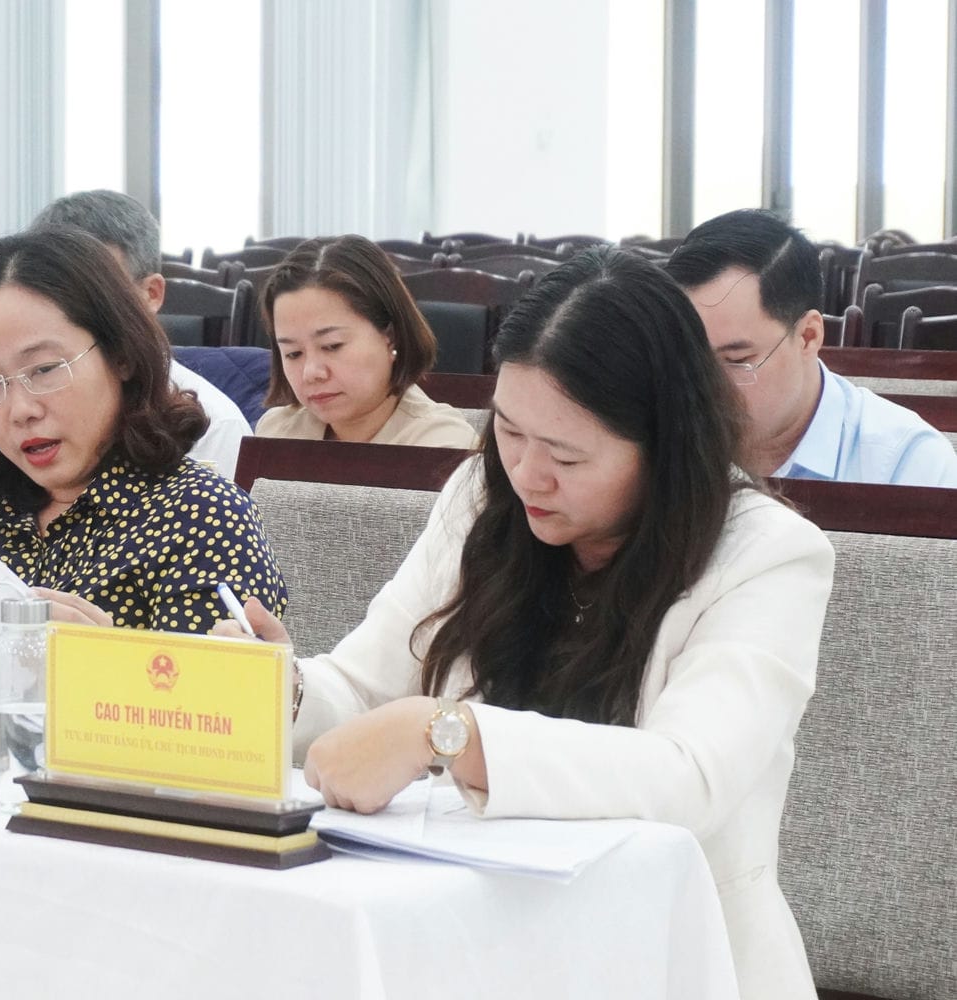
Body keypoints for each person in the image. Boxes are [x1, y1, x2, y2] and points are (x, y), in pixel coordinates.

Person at [218, 249, 834, 999]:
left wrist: (448, 733)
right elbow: (365, 684)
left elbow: (689, 776)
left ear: (666, 445)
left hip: (667, 952)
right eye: (509, 432)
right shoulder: (486, 496)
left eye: (567, 457)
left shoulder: (767, 553)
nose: (527, 475)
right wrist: (282, 690)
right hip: (470, 932)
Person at [0, 226, 287, 634]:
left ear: (122, 356)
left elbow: (211, 676)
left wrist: (103, 657)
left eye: (45, 370)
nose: (20, 411)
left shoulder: (203, 518)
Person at [666, 208, 957, 487]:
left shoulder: (906, 465)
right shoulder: (661, 442)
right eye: (690, 359)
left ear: (808, 336)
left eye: (736, 360)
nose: (707, 388)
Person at [31, 190, 253, 476]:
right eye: (52, 292)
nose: (70, 312)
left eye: (97, 294)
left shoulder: (213, 427)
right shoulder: (16, 407)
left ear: (151, 294)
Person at [255, 235, 479, 447]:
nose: (311, 373)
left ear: (391, 337)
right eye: (293, 353)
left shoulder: (443, 444)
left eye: (332, 346)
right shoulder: (276, 432)